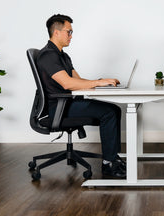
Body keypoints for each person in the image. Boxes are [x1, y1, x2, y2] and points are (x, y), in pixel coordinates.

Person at [36, 14, 126, 178]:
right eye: (68, 32)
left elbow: (76, 80)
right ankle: (109, 164)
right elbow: (67, 84)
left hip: (69, 103)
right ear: (56, 32)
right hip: (60, 108)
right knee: (109, 112)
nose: (71, 36)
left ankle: (113, 158)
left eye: (71, 32)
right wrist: (97, 84)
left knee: (114, 110)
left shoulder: (63, 55)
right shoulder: (48, 55)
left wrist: (100, 82)